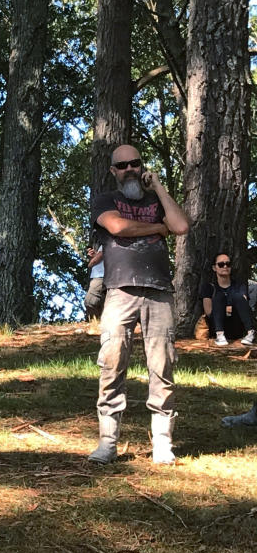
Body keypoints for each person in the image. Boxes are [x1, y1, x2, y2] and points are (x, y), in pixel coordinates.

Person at [88, 144, 189, 466]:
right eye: (123, 165)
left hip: (159, 292)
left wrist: (158, 187)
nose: (130, 169)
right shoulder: (105, 200)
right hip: (119, 291)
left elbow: (182, 226)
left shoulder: (156, 200)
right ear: (113, 171)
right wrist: (159, 228)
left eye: (135, 164)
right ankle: (108, 442)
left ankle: (162, 443)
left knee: (162, 366)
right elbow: (118, 227)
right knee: (112, 363)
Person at [198, 252, 255, 347]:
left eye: (228, 264)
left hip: (236, 326)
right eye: (221, 264)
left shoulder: (240, 286)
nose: (225, 266)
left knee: (237, 297)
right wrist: (227, 307)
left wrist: (224, 308)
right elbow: (208, 312)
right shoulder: (209, 287)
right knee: (219, 297)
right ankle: (220, 335)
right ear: (214, 268)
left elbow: (243, 305)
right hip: (216, 326)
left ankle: (250, 333)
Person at [84, 244, 106, 321]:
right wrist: (95, 255)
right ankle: (99, 322)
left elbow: (97, 259)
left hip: (100, 276)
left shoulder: (107, 242)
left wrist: (90, 263)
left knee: (90, 301)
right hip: (102, 276)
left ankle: (94, 322)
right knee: (103, 302)